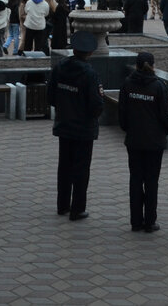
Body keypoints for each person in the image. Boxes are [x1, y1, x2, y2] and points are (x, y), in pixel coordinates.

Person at [47, 31, 103, 221]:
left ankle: (62, 205)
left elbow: (51, 96)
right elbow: (95, 106)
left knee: (64, 167)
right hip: (83, 129)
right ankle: (77, 209)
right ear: (90, 53)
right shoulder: (89, 74)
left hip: (64, 124)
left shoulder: (60, 67)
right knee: (81, 169)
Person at [119, 51, 168, 233]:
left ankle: (135, 221)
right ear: (153, 65)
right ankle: (150, 222)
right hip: (154, 141)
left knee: (135, 180)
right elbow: (165, 115)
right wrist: (164, 132)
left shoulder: (128, 83)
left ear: (136, 65)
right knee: (151, 181)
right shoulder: (159, 86)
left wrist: (129, 130)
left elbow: (122, 113)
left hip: (134, 139)